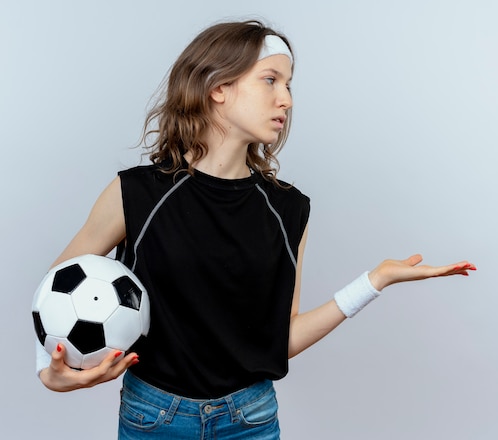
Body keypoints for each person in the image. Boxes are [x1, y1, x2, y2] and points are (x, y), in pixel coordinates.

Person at [35, 19, 475, 439]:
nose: (286, 99)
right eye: (271, 80)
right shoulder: (136, 194)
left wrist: (374, 281)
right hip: (153, 417)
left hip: (250, 420)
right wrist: (54, 372)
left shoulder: (288, 209)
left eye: (288, 85)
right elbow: (56, 294)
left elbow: (279, 340)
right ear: (219, 88)